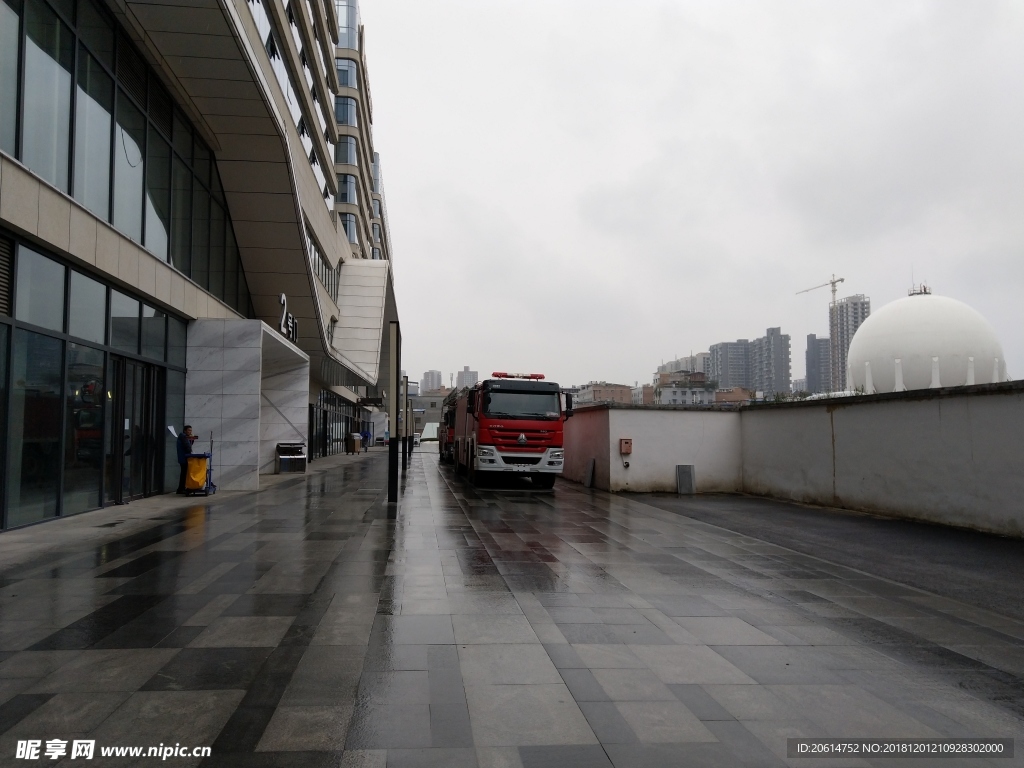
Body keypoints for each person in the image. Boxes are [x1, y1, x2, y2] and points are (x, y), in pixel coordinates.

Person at [176, 425, 195, 494]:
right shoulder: (183, 437)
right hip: (184, 458)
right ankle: (181, 488)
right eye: (189, 430)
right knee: (184, 474)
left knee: (184, 473)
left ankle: (181, 488)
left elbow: (189, 444)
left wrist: (191, 439)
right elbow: (187, 446)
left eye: (191, 430)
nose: (190, 432)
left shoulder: (183, 437)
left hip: (183, 458)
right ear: (185, 431)